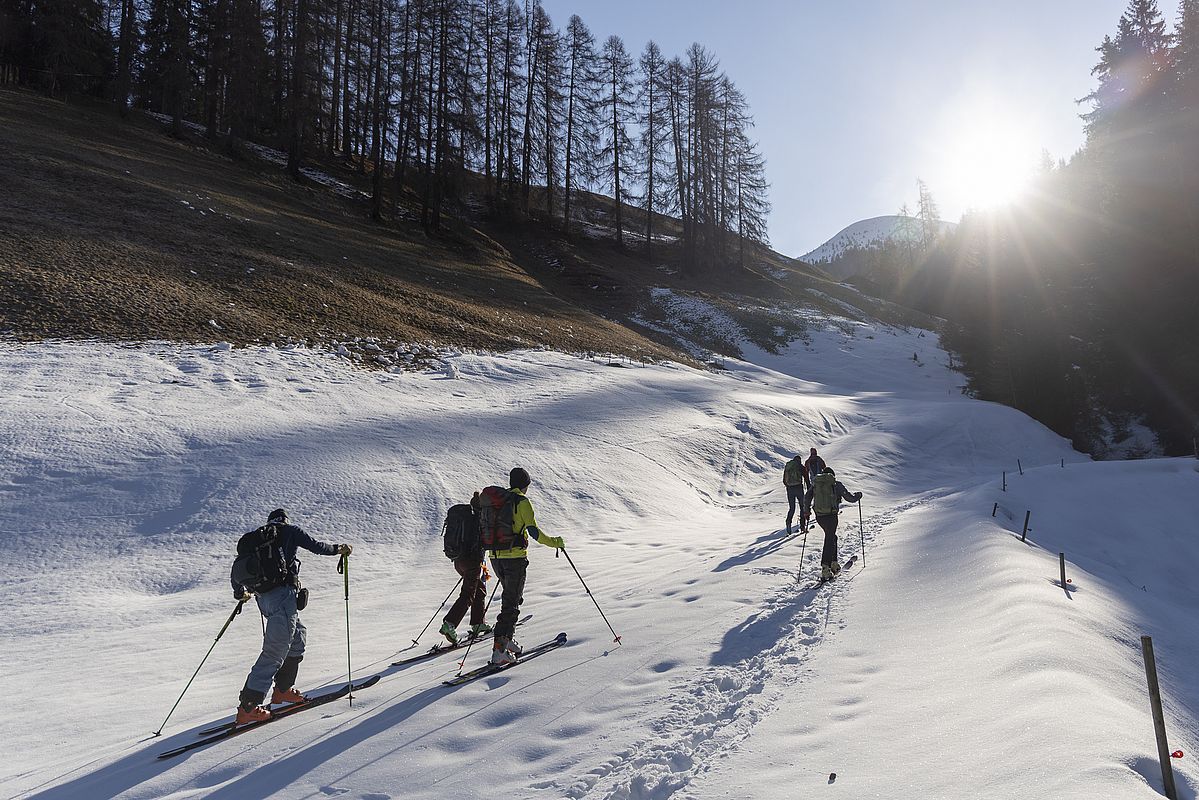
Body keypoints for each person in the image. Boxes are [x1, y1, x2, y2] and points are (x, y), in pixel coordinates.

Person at [231, 508, 353, 724]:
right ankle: (248, 707)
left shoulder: (255, 539)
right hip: (282, 598)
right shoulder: (289, 531)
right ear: (284, 520)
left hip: (264, 600)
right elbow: (317, 547)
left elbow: (237, 570)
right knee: (274, 652)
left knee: (297, 638)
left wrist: (241, 592)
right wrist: (338, 549)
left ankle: (283, 691)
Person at [488, 467, 564, 665]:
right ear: (525, 485)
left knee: (511, 599)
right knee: (511, 603)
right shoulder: (521, 502)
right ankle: (500, 651)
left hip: (495, 558)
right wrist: (556, 542)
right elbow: (534, 533)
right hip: (514, 559)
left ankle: (507, 639)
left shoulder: (499, 502)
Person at [804, 468, 862, 581]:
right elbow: (849, 498)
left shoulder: (816, 484)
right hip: (831, 516)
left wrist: (806, 511)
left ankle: (833, 563)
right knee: (829, 538)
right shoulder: (836, 484)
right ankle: (825, 567)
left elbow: (807, 497)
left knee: (832, 537)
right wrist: (858, 496)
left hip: (820, 516)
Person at [439, 550, 493, 645]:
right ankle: (450, 624)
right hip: (472, 561)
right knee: (468, 594)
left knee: (479, 590)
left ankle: (478, 623)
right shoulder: (475, 534)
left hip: (458, 561)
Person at [782, 453, 810, 535]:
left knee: (792, 508)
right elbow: (807, 479)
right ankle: (802, 526)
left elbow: (784, 480)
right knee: (802, 506)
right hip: (799, 488)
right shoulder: (800, 467)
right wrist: (809, 490)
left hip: (790, 489)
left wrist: (788, 486)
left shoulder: (788, 466)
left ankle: (788, 522)